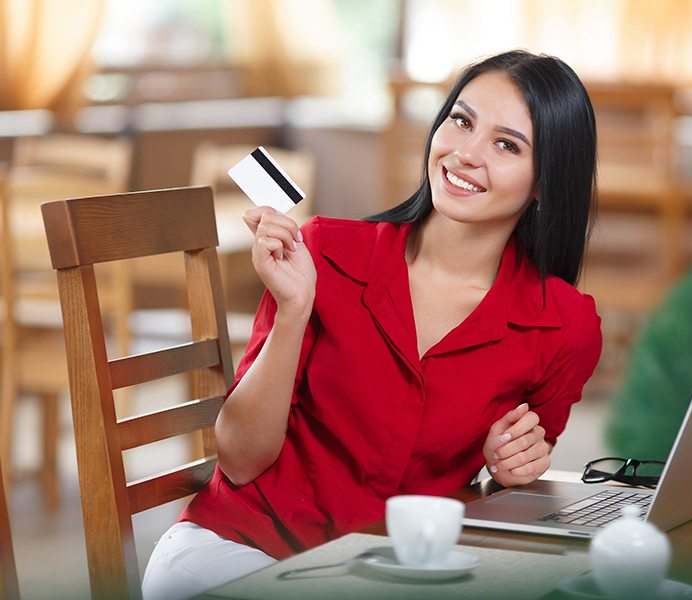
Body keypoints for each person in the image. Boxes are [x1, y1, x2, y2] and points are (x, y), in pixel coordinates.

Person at [141, 49, 603, 600]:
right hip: (239, 552)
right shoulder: (323, 253)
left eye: (507, 145)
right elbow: (239, 461)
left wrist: (511, 469)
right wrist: (294, 310)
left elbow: (516, 487)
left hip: (395, 571)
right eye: (461, 121)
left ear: (544, 183)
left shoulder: (564, 326)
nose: (465, 154)